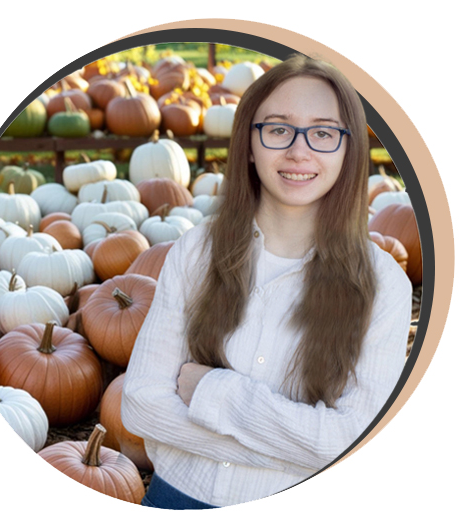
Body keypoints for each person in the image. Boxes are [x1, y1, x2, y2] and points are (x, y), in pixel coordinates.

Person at [121, 53, 413, 509]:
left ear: (349, 148)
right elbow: (140, 403)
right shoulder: (196, 252)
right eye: (278, 129)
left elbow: (355, 438)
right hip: (176, 499)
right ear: (250, 144)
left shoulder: (384, 285)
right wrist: (295, 454)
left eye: (323, 132)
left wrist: (218, 394)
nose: (300, 151)